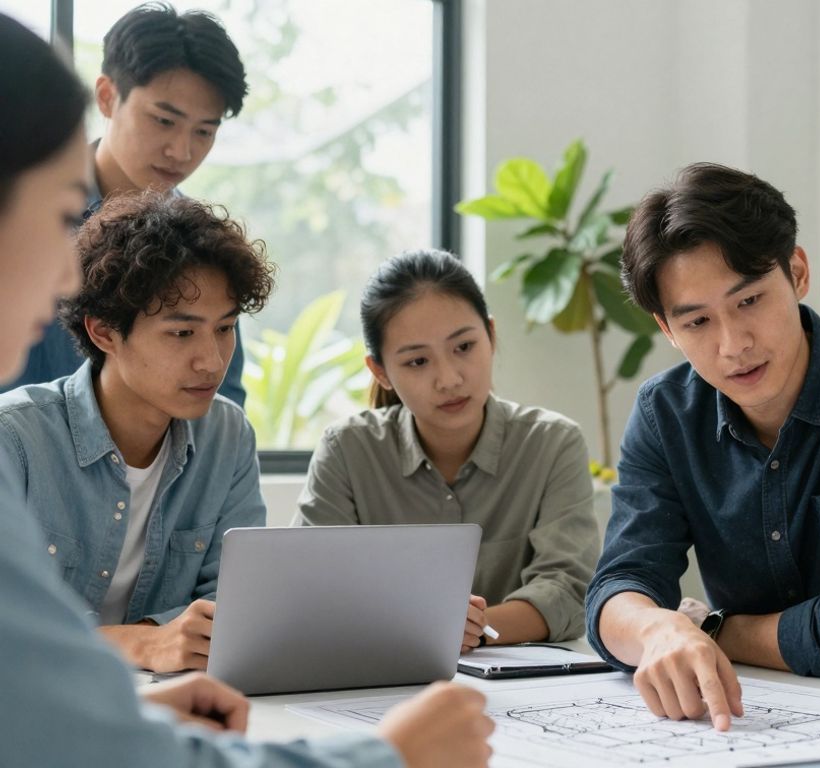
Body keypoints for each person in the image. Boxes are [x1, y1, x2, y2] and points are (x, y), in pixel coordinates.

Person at [0, 12, 492, 767]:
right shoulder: (19, 435)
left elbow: (224, 619)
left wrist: (132, 688)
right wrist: (390, 757)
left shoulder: (219, 428)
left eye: (223, 329)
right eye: (61, 216)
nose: (182, 149)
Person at [587, 163, 820, 731]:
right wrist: (659, 628)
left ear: (798, 272)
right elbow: (617, 589)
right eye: (697, 323)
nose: (733, 344)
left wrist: (712, 627)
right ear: (667, 329)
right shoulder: (665, 413)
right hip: (743, 724)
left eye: (750, 301)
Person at [0, 192, 265, 674]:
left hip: (171, 700)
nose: (211, 361)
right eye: (182, 333)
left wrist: (165, 641)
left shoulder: (227, 435)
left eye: (224, 329)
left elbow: (237, 599)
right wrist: (140, 643)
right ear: (104, 333)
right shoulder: (14, 440)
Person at [295, 249, 599, 651]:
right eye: (418, 361)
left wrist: (466, 627)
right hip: (378, 681)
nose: (449, 378)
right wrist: (438, 629)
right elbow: (309, 591)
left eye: (464, 347)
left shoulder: (552, 443)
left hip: (522, 688)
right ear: (381, 372)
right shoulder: (347, 451)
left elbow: (569, 591)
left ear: (490, 336)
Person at [3, 1, 248, 406]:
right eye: (164, 120)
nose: (181, 151)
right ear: (106, 97)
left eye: (204, 131)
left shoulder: (199, 244)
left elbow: (223, 401)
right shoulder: (26, 204)